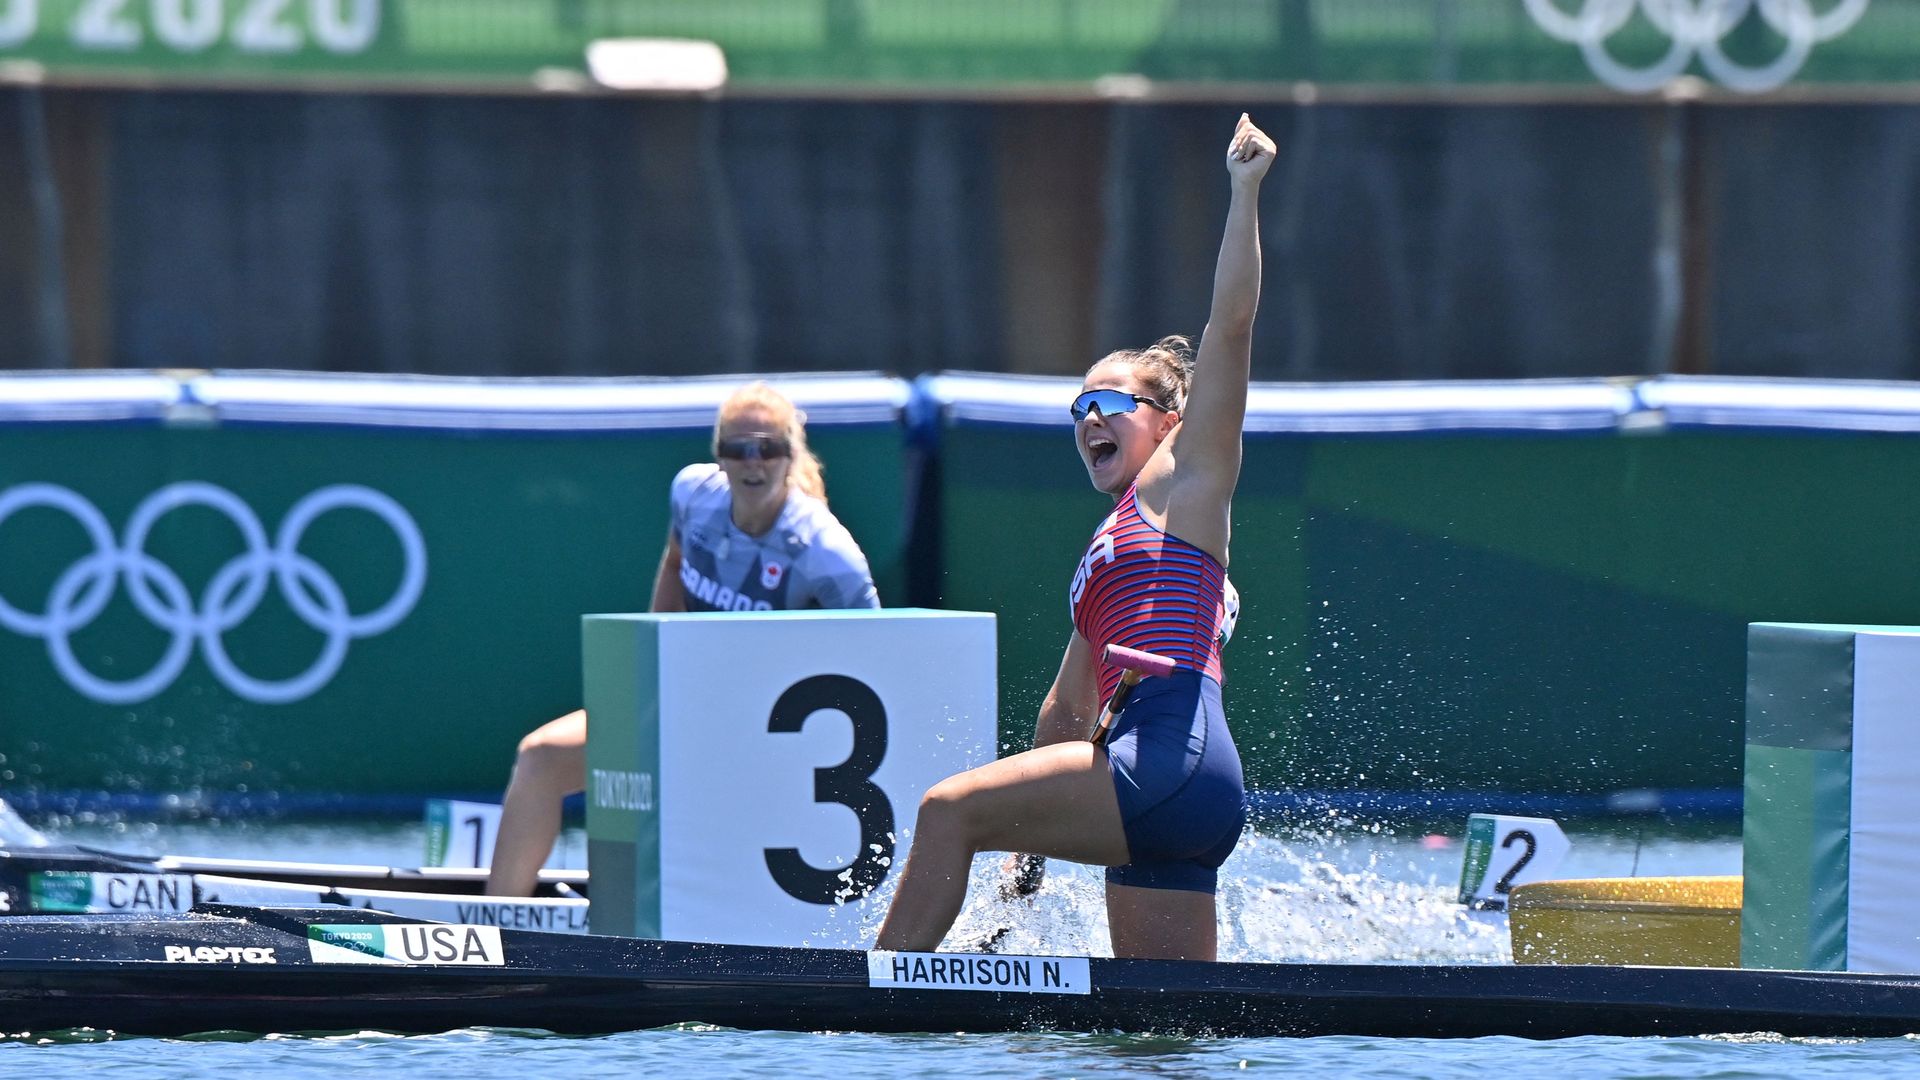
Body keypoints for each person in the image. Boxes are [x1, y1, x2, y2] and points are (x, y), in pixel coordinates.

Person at [875, 113, 1274, 961]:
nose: (1089, 420)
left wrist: (1243, 194)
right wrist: (1025, 855)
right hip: (1178, 789)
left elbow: (1230, 330)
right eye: (1078, 409)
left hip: (1167, 758)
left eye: (1110, 405)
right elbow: (1068, 708)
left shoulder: (1189, 480)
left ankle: (870, 990)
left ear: (1169, 421)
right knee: (1156, 1043)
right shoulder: (1109, 554)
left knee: (947, 811)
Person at [486, 382, 881, 896]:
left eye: (768, 448)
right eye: (738, 449)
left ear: (791, 456)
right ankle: (495, 926)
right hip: (687, 708)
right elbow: (674, 563)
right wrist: (651, 672)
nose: (753, 462)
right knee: (540, 757)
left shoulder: (826, 551)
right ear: (719, 455)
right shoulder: (694, 495)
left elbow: (877, 653)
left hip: (769, 737)